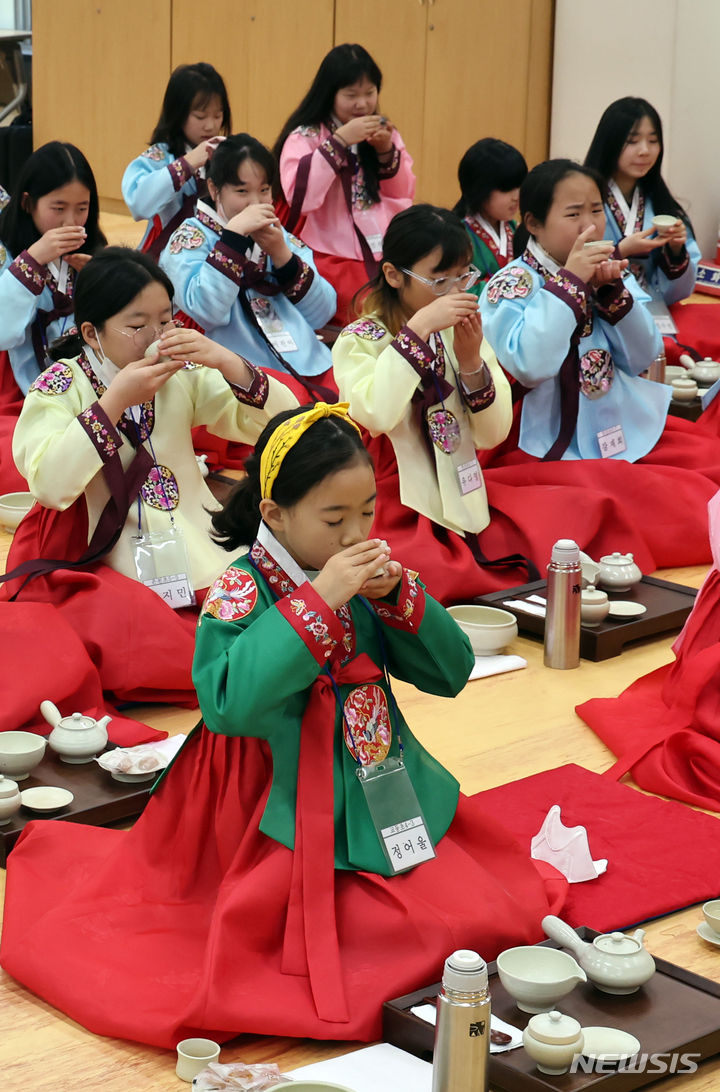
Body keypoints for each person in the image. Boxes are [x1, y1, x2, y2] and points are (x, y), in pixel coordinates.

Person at [0, 403, 566, 1048]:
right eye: (334, 518)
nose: (356, 533)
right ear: (274, 514)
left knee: (481, 915)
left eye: (366, 513)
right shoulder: (240, 588)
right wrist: (317, 600)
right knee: (369, 946)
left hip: (373, 767)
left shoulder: (365, 575)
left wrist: (397, 598)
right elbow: (229, 706)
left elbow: (450, 671)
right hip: (263, 792)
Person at [2, 247, 296, 704]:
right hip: (102, 554)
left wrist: (227, 362)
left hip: (197, 535)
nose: (157, 337)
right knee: (151, 643)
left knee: (276, 609)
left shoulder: (180, 374)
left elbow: (280, 423)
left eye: (167, 319)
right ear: (91, 334)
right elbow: (50, 484)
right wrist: (111, 402)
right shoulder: (60, 385)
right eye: (138, 326)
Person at [479, 159, 720, 572]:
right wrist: (571, 284)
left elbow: (644, 357)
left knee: (708, 464)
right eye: (573, 214)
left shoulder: (606, 268)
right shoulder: (508, 285)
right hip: (543, 440)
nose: (590, 225)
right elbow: (531, 367)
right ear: (533, 223)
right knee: (662, 505)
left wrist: (611, 292)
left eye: (595, 210)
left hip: (622, 422)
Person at [332, 203, 533, 603]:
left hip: (461, 483)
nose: (456, 292)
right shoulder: (359, 339)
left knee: (536, 543)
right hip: (392, 491)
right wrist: (419, 329)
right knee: (423, 580)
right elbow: (374, 414)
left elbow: (493, 435)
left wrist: (473, 359)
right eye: (440, 281)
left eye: (463, 277)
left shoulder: (459, 332)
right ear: (393, 275)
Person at [159, 133, 336, 398]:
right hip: (228, 369)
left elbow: (322, 313)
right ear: (215, 188)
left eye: (264, 190)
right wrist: (233, 240)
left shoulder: (279, 235)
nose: (256, 203)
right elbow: (208, 312)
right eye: (242, 191)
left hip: (302, 359)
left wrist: (282, 256)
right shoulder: (189, 238)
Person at [273, 43, 415, 326]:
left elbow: (404, 195)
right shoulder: (306, 134)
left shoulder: (384, 130)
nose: (362, 104)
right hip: (328, 249)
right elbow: (300, 198)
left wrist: (386, 151)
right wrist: (338, 142)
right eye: (351, 95)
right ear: (330, 94)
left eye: (370, 93)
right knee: (353, 307)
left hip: (380, 244)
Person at [0, 140, 107, 396]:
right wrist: (33, 259)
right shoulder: (6, 251)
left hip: (88, 380)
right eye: (58, 208)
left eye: (82, 208)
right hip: (19, 385)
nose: (71, 221)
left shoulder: (92, 247)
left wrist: (102, 278)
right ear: (27, 203)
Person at [584, 98, 699, 308]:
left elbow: (680, 291)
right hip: (597, 314)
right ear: (610, 143)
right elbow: (566, 266)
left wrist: (675, 250)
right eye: (632, 141)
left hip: (651, 311)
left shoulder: (662, 204)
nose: (645, 150)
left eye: (653, 141)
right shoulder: (583, 201)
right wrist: (620, 252)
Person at [122, 62, 231, 257]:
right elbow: (138, 204)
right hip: (165, 260)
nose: (210, 126)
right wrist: (187, 163)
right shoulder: (160, 157)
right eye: (200, 116)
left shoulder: (227, 154)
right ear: (178, 114)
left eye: (217, 115)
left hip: (215, 257)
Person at [453, 138, 528, 292]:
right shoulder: (458, 235)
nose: (516, 196)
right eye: (506, 189)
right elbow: (459, 289)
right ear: (480, 189)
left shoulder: (519, 230)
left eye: (519, 187)